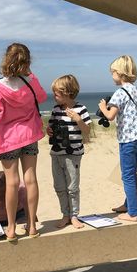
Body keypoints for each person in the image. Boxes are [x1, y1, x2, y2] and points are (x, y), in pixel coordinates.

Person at [0, 43, 47, 241]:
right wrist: (31, 75)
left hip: (8, 139)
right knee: (31, 179)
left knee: (12, 183)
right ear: (27, 61)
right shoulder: (31, 81)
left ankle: (11, 229)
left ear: (7, 59)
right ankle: (32, 226)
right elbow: (42, 97)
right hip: (29, 134)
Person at [97, 55, 137, 222]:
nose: (112, 75)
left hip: (128, 139)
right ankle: (128, 204)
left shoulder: (120, 92)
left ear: (120, 73)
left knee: (127, 175)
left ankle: (133, 212)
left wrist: (103, 107)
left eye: (113, 72)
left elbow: (110, 116)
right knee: (132, 172)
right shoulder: (136, 90)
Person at [47, 75, 91, 229]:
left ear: (67, 93)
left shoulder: (81, 109)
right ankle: (65, 215)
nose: (54, 96)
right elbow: (50, 128)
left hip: (73, 154)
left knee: (72, 187)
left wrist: (78, 119)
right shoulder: (55, 110)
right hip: (56, 153)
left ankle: (74, 216)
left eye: (57, 94)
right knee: (59, 186)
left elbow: (87, 131)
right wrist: (49, 131)